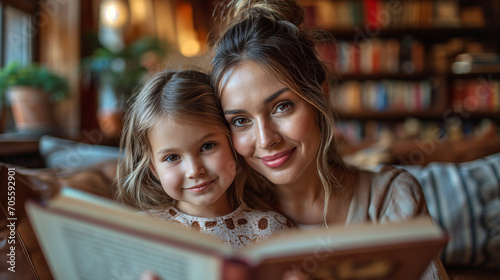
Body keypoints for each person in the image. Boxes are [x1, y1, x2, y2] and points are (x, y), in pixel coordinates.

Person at [209, 0, 448, 278]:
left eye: (282, 106)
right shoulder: (220, 216)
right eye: (240, 121)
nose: (265, 139)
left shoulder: (391, 199)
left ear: (320, 95)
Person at [116, 69, 292, 250]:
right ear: (154, 168)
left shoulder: (271, 230)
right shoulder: (141, 231)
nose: (194, 170)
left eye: (207, 146)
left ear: (232, 143)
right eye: (172, 157)